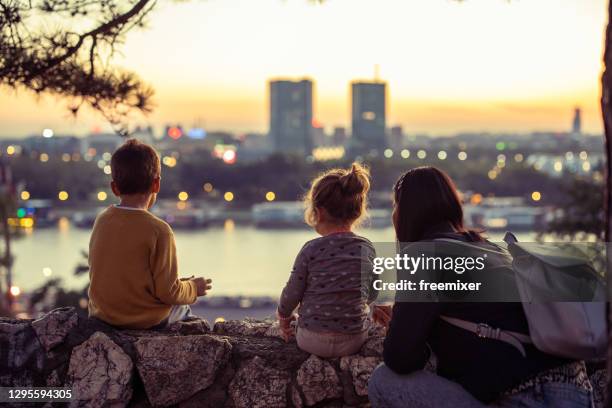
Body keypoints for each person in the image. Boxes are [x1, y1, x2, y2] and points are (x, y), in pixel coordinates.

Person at [368, 166, 593, 408]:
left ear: (405, 212)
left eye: (395, 206)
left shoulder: (423, 255)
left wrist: (403, 327)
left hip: (529, 397)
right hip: (577, 391)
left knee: (383, 380)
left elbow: (399, 357)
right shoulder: (490, 247)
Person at [88, 139, 212, 329]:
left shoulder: (102, 220)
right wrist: (194, 288)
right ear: (156, 185)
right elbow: (168, 293)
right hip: (145, 320)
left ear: (114, 188)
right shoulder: (159, 231)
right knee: (184, 310)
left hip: (103, 316)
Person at [276, 163, 378, 358]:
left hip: (311, 340)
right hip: (353, 340)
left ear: (319, 212)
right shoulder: (366, 248)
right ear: (357, 212)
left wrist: (283, 317)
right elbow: (372, 293)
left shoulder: (311, 249)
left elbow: (292, 293)